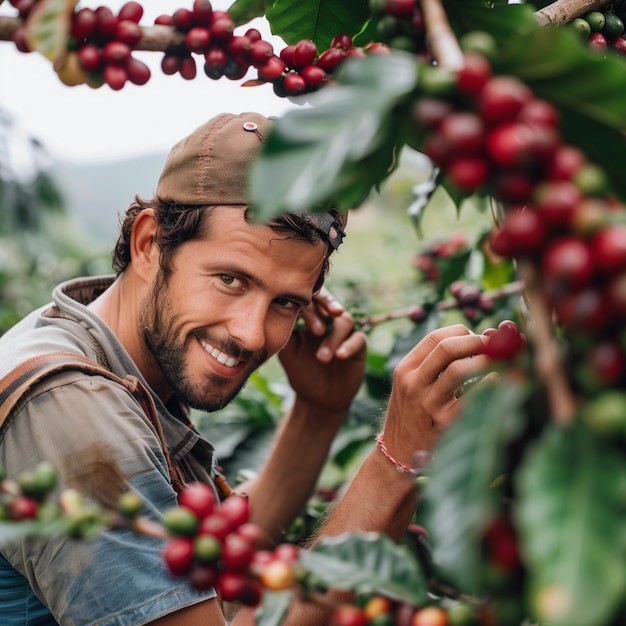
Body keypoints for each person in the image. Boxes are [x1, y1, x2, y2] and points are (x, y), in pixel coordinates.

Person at [0, 112, 490, 625]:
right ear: (149, 244)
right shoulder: (71, 407)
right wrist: (395, 466)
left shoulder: (103, 347)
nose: (252, 333)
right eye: (231, 280)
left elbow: (219, 575)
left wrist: (317, 413)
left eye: (286, 303)